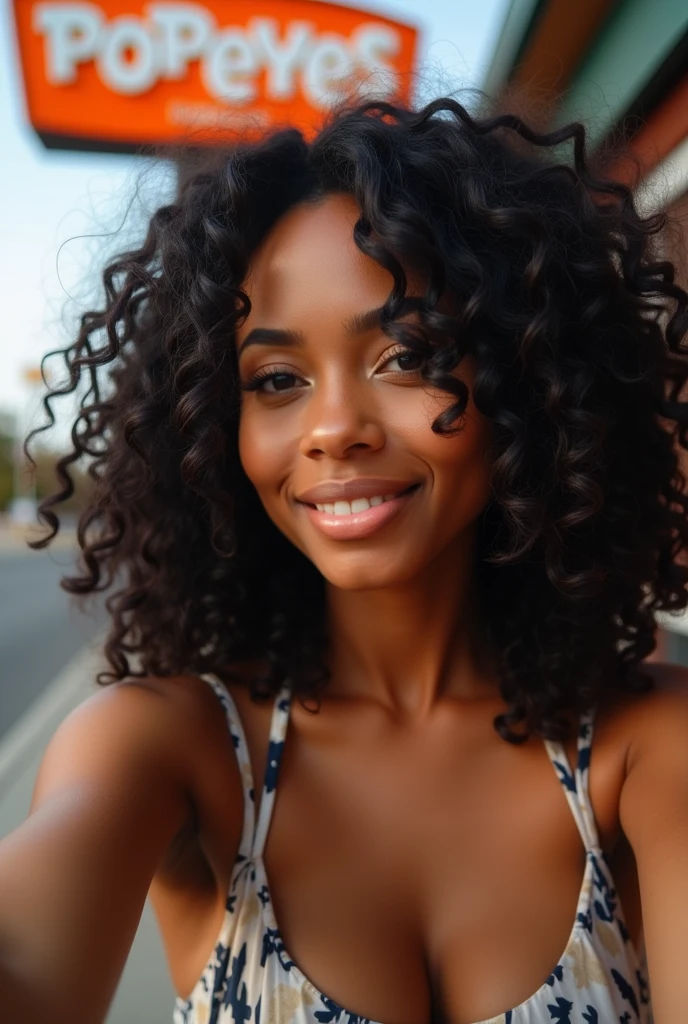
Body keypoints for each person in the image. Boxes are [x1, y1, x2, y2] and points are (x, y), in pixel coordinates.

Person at [2, 94, 687, 1024]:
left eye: (407, 354)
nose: (332, 432)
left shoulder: (646, 747)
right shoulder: (170, 751)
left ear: (527, 375)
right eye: (277, 381)